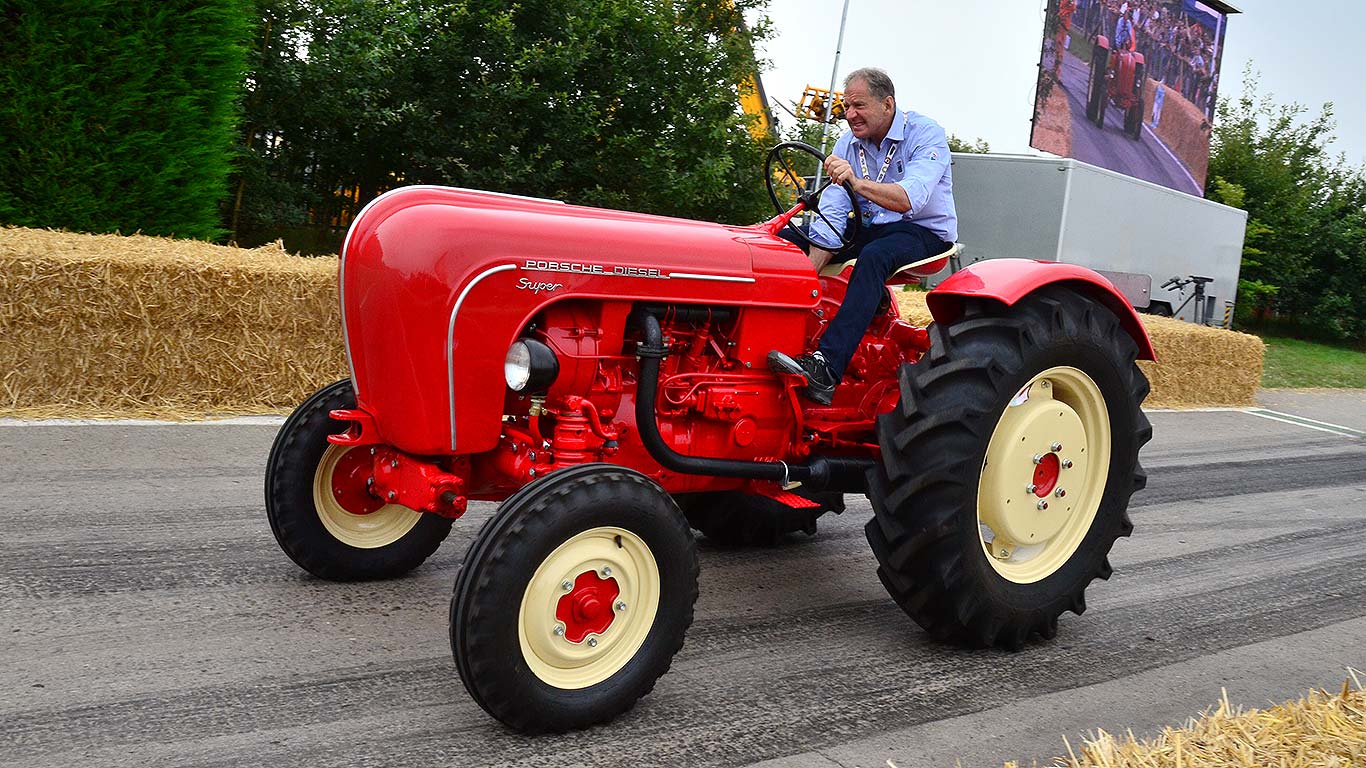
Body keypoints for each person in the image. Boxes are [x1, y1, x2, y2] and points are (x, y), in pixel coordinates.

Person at [768, 67, 957, 405]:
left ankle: (825, 369)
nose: (850, 115)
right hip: (872, 229)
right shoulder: (847, 142)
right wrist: (806, 276)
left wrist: (856, 183)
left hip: (923, 231)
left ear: (887, 104)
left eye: (858, 106)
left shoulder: (925, 134)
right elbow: (834, 212)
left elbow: (908, 199)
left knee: (875, 257)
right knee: (785, 237)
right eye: (846, 107)